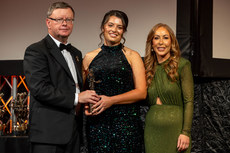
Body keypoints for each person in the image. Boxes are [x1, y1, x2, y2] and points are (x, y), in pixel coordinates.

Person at [23, 2, 100, 153]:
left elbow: (74, 86)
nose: (64, 23)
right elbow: (40, 89)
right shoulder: (36, 51)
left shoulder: (76, 53)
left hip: (73, 133)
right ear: (48, 22)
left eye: (69, 20)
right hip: (48, 136)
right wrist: (78, 98)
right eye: (59, 19)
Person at [82, 10, 147, 153]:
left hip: (126, 124)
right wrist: (87, 106)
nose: (114, 30)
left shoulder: (132, 56)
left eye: (119, 27)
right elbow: (83, 91)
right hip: (98, 124)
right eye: (111, 25)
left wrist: (111, 100)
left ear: (124, 31)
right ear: (103, 27)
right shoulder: (89, 57)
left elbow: (142, 93)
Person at [144, 23, 194, 153]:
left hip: (176, 131)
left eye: (165, 37)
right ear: (151, 44)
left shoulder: (182, 65)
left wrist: (186, 132)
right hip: (152, 131)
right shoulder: (147, 69)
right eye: (156, 38)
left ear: (171, 42)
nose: (161, 42)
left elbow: (189, 102)